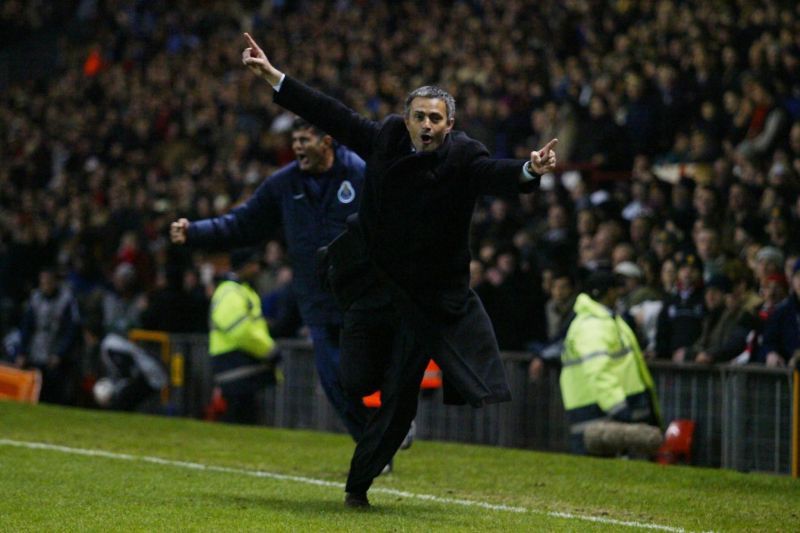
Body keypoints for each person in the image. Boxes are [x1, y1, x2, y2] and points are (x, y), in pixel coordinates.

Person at [239, 33, 558, 507]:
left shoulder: (464, 157)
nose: (426, 124)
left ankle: (357, 488)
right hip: (372, 284)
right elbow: (333, 115)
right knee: (355, 380)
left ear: (449, 126)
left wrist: (529, 170)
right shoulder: (385, 138)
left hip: (424, 300)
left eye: (435, 118)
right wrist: (274, 77)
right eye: (419, 116)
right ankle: (378, 419)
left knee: (398, 397)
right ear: (406, 120)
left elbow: (499, 175)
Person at [171, 118, 371, 439]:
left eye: (304, 139)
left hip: (363, 293)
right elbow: (242, 223)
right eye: (294, 140)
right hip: (317, 299)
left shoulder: (360, 173)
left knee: (372, 368)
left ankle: (393, 417)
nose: (296, 147)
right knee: (333, 377)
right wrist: (195, 232)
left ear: (327, 141)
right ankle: (374, 443)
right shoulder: (284, 184)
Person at [560, 270, 661, 455]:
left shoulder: (605, 320)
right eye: (616, 288)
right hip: (599, 409)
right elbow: (599, 370)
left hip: (602, 406)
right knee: (595, 470)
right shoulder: (594, 325)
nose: (619, 293)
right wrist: (619, 408)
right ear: (605, 293)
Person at [207, 247, 280, 425]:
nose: (257, 269)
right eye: (253, 264)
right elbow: (241, 330)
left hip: (239, 368)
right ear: (243, 266)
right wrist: (269, 350)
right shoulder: (231, 292)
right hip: (237, 366)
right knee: (242, 421)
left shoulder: (239, 290)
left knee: (244, 420)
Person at [17, 267, 81, 404]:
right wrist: (22, 351)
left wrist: (60, 354)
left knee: (54, 392)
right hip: (36, 350)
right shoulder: (35, 298)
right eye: (43, 282)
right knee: (35, 390)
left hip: (56, 352)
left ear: (55, 282)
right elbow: (26, 327)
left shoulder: (66, 300)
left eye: (48, 282)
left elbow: (71, 330)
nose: (45, 285)